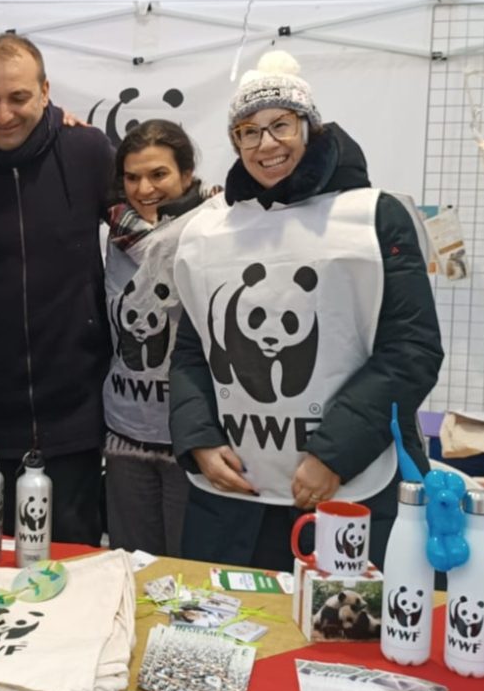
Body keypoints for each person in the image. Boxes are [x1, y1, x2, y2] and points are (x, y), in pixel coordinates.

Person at [170, 50, 443, 571]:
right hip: (233, 492)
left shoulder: (374, 218)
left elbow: (412, 349)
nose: (266, 144)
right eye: (248, 131)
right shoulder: (209, 230)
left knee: (344, 633)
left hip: (352, 482)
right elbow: (191, 351)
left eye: (280, 125)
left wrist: (334, 455)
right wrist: (199, 441)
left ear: (310, 126)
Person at [0, 33, 114, 546]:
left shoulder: (88, 150)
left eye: (18, 97)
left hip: (74, 416)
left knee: (69, 567)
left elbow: (148, 213)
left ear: (46, 92)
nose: (3, 114)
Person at [103, 120, 216, 556]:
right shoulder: (112, 236)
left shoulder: (215, 232)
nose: (143, 189)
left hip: (191, 443)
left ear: (187, 175)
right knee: (131, 570)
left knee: (189, 575)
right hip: (124, 432)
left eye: (158, 175)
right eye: (131, 177)